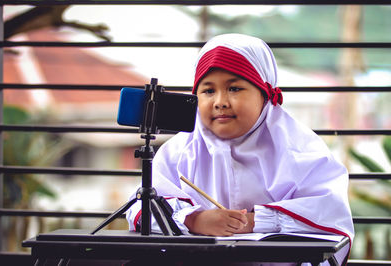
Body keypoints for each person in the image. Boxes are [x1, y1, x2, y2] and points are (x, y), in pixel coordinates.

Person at [126, 33, 354, 265]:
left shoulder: (300, 151)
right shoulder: (178, 152)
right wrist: (195, 220)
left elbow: (331, 216)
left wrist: (254, 222)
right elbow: (138, 210)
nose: (220, 101)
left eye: (234, 88)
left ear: (265, 94)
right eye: (208, 91)